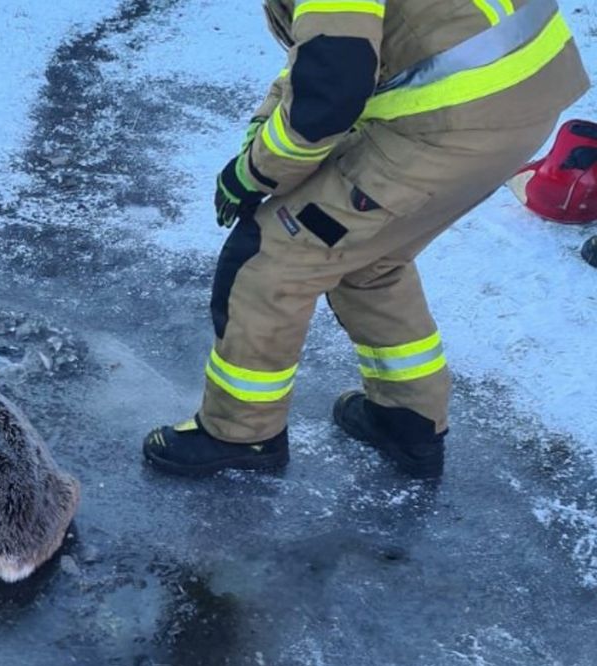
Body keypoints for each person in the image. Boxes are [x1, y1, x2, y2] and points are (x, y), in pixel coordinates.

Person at [143, 0, 589, 480]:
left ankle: (241, 433)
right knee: (371, 258)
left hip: (452, 117)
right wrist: (262, 134)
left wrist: (254, 174)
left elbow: (330, 93)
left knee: (274, 254)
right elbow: (327, 56)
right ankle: (407, 418)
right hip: (517, 93)